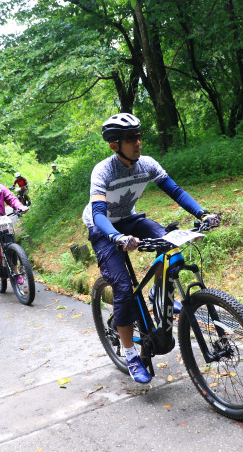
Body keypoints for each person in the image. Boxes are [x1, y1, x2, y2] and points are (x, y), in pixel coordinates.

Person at [81, 113, 219, 383]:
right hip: (103, 227)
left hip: (131, 220)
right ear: (115, 145)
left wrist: (202, 213)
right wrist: (116, 238)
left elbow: (175, 191)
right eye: (130, 138)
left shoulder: (147, 164)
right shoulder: (104, 171)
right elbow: (98, 213)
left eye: (139, 136)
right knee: (123, 289)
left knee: (171, 247)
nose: (138, 142)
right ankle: (131, 355)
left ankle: (158, 291)